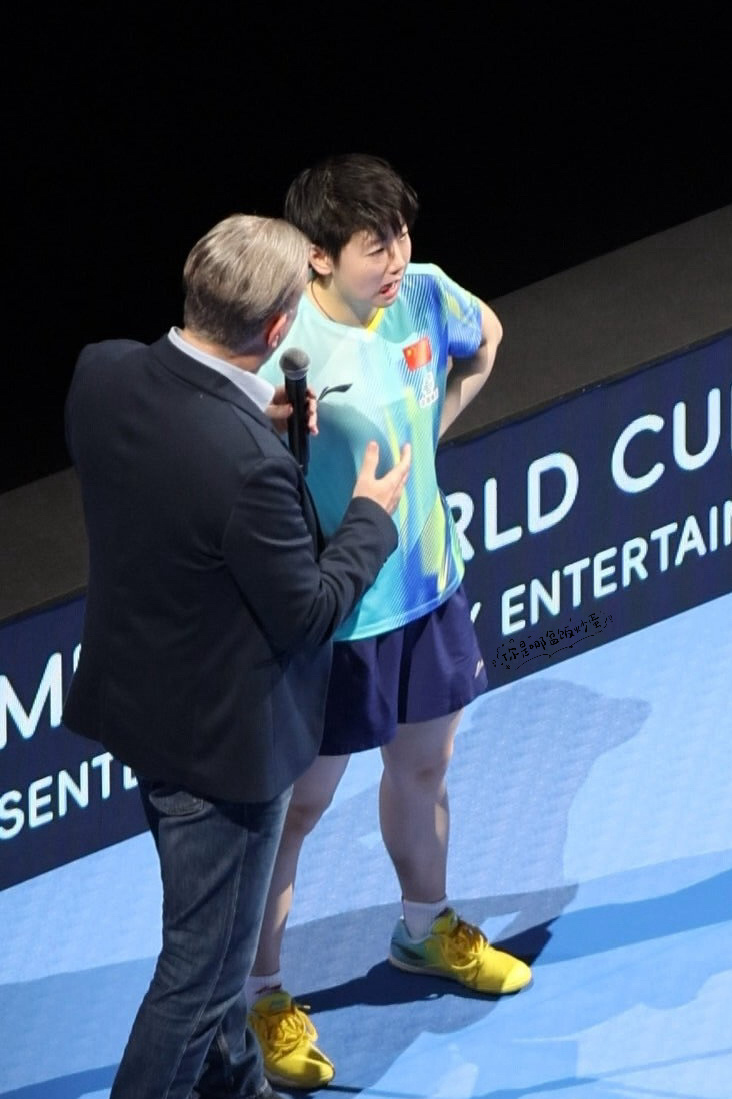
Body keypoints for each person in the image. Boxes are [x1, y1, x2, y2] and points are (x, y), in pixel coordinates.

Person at [62, 212, 411, 1099]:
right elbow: (309, 613)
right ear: (282, 324)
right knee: (204, 971)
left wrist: (255, 418)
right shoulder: (248, 467)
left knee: (212, 945)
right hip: (223, 748)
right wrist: (370, 517)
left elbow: (174, 486)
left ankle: (238, 1087)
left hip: (142, 706)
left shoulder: (100, 372)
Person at [247, 154, 532, 1090]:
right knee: (297, 810)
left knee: (424, 768)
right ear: (319, 256)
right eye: (376, 245)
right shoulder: (282, 342)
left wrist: (430, 435)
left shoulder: (425, 295)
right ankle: (260, 993)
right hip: (334, 616)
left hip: (428, 588)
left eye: (402, 234)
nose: (398, 258)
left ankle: (424, 928)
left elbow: (487, 338)